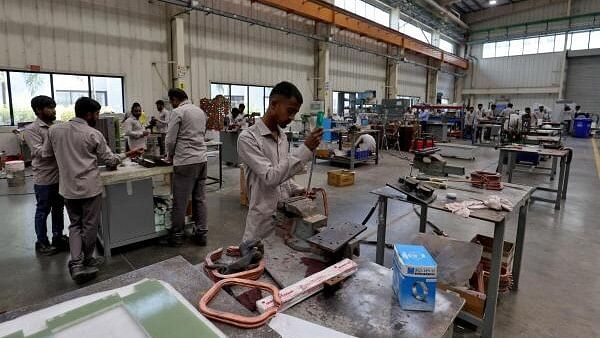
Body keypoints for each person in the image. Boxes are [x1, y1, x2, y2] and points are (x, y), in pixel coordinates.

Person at [44, 97, 143, 283]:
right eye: (96, 114)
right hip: (89, 188)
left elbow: (46, 153)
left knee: (74, 224)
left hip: (67, 187)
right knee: (90, 225)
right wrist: (128, 154)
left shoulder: (55, 130)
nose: (97, 117)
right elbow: (110, 161)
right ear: (88, 114)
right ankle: (87, 260)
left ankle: (75, 262)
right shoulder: (93, 134)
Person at [237, 81, 323, 241]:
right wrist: (305, 149)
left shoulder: (283, 137)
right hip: (262, 226)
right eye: (290, 111)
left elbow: (284, 178)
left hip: (285, 223)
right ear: (274, 104)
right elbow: (270, 177)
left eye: (295, 113)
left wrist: (298, 190)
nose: (292, 118)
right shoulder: (248, 138)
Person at [23, 96, 68, 255]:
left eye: (54, 107)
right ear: (38, 110)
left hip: (60, 177)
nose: (54, 110)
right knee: (43, 210)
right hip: (44, 179)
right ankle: (41, 242)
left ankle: (58, 237)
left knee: (58, 209)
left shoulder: (55, 127)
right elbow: (41, 153)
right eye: (50, 107)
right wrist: (53, 137)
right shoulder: (31, 130)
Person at [165, 88, 208, 246]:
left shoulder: (178, 112)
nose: (171, 104)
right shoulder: (200, 112)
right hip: (202, 160)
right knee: (200, 199)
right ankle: (201, 233)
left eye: (171, 101)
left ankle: (176, 235)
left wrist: (169, 155)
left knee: (180, 201)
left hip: (185, 161)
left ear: (175, 99)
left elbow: (170, 140)